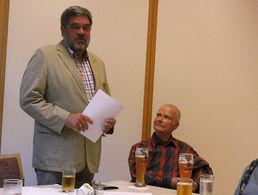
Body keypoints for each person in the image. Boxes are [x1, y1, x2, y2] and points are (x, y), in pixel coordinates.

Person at [19, 6, 116, 187]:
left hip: (88, 160)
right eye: (75, 27)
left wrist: (108, 124)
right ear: (63, 29)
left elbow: (103, 102)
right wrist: (65, 118)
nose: (81, 32)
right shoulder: (45, 56)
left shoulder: (98, 63)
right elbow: (28, 99)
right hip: (55, 160)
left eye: (86, 28)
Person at [128, 104, 213, 192]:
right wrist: (170, 182)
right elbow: (138, 176)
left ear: (176, 125)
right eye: (158, 115)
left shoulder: (184, 149)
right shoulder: (139, 148)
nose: (159, 119)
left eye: (166, 117)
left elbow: (206, 171)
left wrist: (196, 183)